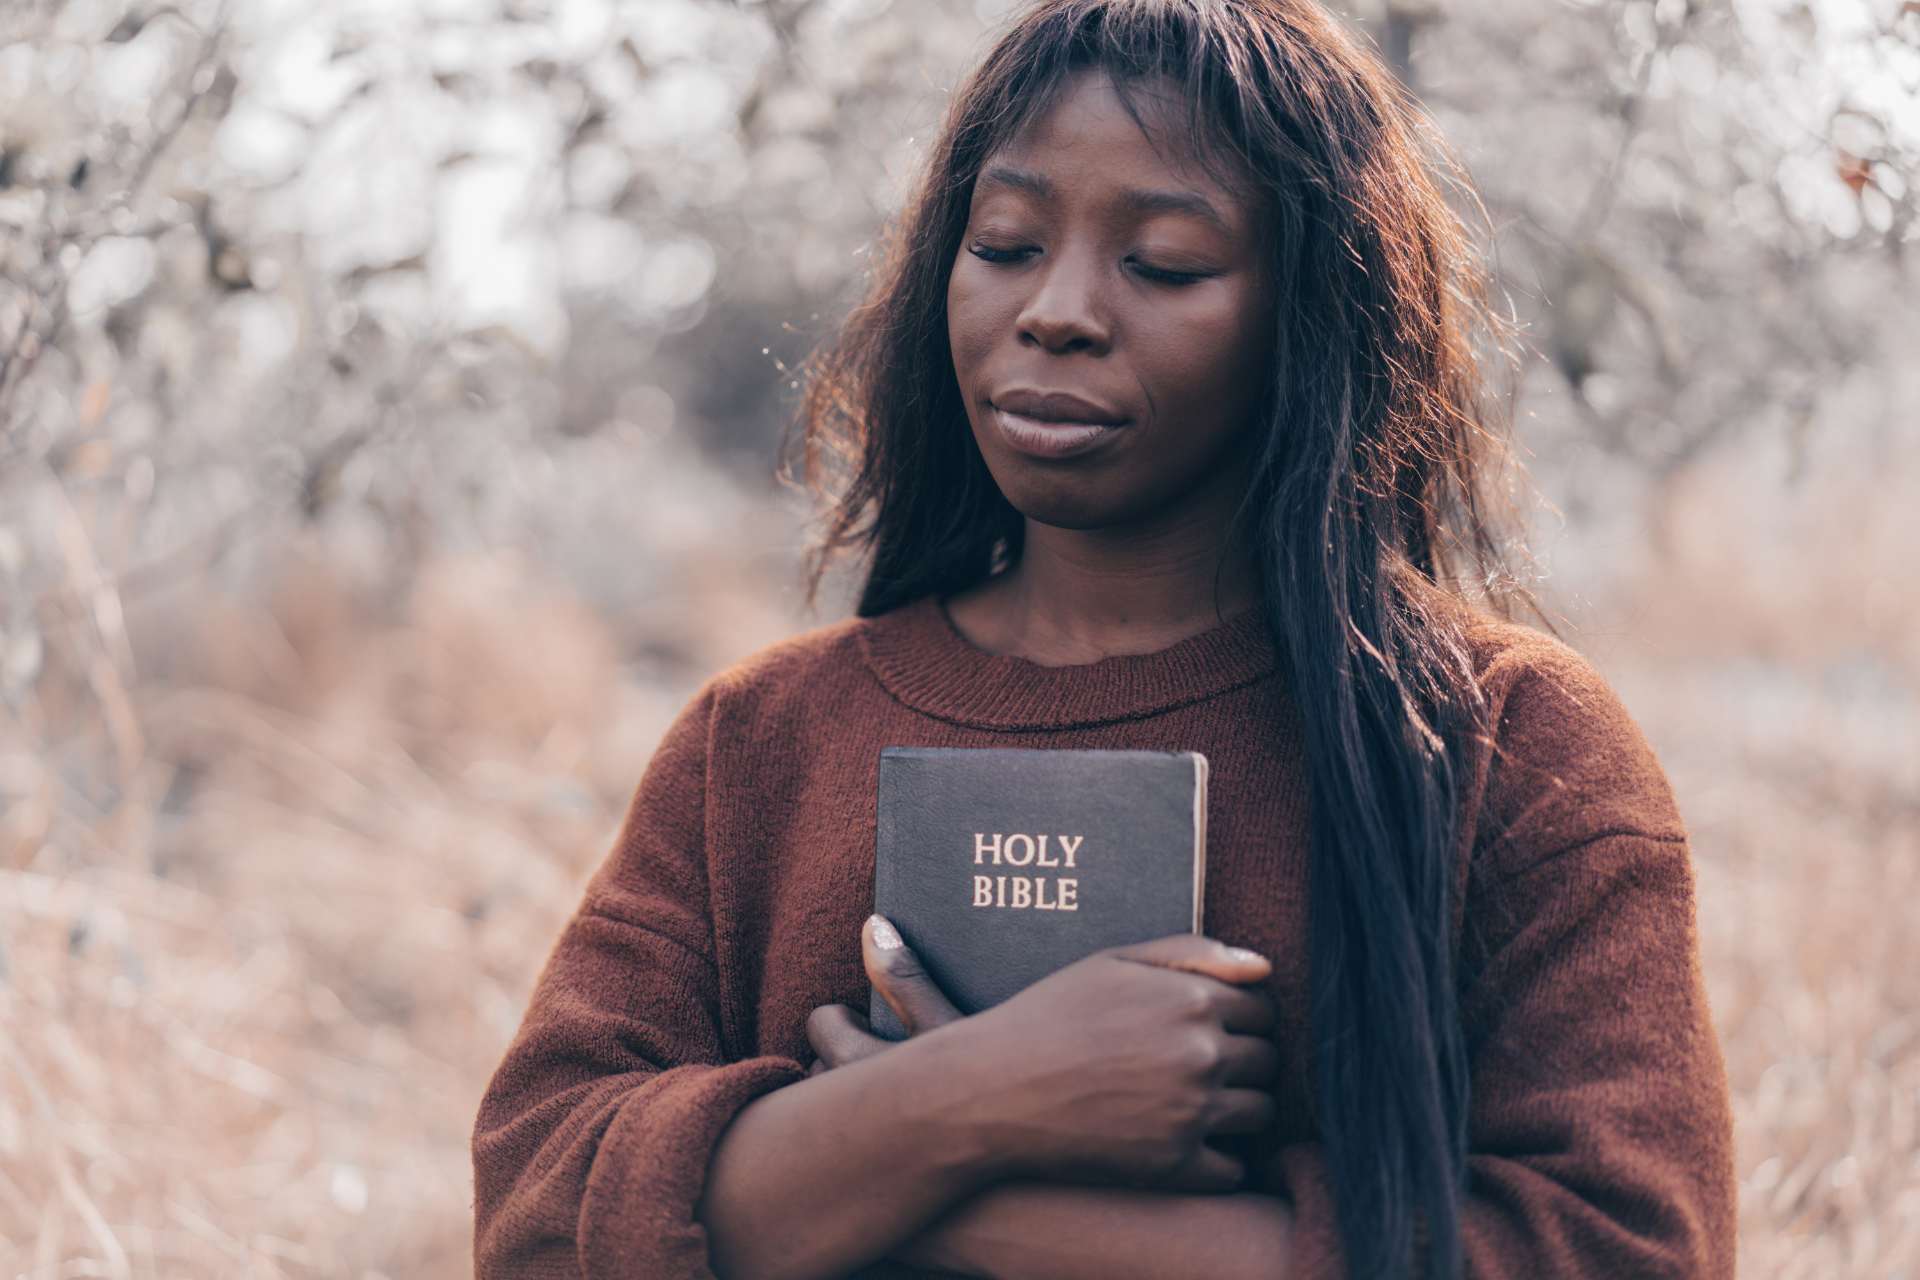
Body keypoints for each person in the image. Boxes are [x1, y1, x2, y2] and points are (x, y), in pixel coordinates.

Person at [470, 1, 1738, 1276]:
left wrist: (922, 1176)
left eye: (1166, 262)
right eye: (1008, 243)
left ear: (1312, 315)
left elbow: (1626, 1245)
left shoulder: (1503, 744)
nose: (1057, 310)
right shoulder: (757, 744)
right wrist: (972, 1098)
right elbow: (537, 1211)